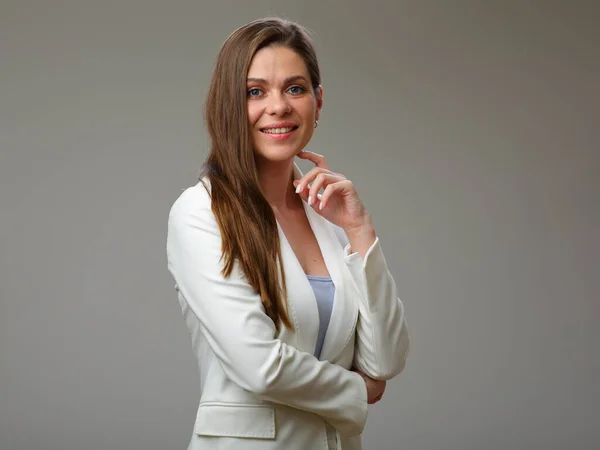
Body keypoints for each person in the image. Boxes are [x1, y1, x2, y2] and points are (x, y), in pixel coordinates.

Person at [166, 17, 410, 450]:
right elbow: (259, 365)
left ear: (318, 101)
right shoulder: (201, 212)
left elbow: (385, 359)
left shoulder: (327, 216)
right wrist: (358, 392)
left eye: (294, 88)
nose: (277, 106)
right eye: (254, 91)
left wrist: (359, 230)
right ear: (228, 104)